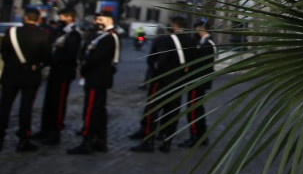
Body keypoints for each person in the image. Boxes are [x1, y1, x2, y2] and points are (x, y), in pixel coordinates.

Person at [131, 16, 195, 153]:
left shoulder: (165, 40)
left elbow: (155, 61)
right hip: (179, 81)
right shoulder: (191, 41)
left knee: (152, 110)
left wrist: (157, 72)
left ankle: (148, 140)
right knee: (172, 111)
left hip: (161, 80)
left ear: (174, 25)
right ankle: (167, 140)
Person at [0, 9, 53, 152]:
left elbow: (4, 52)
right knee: (26, 108)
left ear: (24, 18)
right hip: (31, 75)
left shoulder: (11, 32)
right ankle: (24, 139)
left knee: (4, 106)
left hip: (10, 74)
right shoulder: (43, 35)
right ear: (38, 19)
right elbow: (47, 58)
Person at [67, 13, 120, 155]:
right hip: (96, 78)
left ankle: (88, 140)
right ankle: (99, 139)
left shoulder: (109, 37)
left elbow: (96, 59)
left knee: (91, 110)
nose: (97, 21)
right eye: (96, 19)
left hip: (97, 78)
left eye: (100, 19)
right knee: (97, 110)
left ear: (109, 20)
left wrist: (84, 69)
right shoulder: (99, 35)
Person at [37, 8, 82, 145]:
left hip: (63, 72)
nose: (59, 19)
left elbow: (70, 55)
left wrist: (53, 58)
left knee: (58, 103)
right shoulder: (60, 31)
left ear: (69, 18)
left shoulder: (73, 34)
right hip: (55, 71)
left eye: (61, 16)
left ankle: (55, 132)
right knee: (49, 102)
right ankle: (45, 129)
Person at [180, 19, 214, 148]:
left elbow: (203, 64)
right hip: (197, 81)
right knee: (197, 109)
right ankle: (201, 135)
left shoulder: (207, 44)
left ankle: (195, 136)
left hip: (198, 81)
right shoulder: (202, 42)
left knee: (193, 110)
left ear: (201, 28)